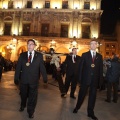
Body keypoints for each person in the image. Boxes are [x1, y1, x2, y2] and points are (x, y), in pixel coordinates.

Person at [14, 39, 48, 118]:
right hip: (23, 80)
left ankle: (30, 111)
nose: (29, 45)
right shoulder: (22, 55)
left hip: (34, 80)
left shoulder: (39, 55)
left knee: (33, 98)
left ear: (34, 46)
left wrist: (45, 77)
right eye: (28, 44)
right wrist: (16, 78)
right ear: (27, 45)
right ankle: (23, 105)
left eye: (31, 44)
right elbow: (18, 67)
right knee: (23, 95)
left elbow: (42, 67)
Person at [73, 40, 103, 120]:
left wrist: (100, 81)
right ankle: (77, 107)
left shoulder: (99, 56)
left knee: (92, 97)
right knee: (81, 95)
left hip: (94, 80)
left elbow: (100, 70)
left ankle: (90, 112)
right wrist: (79, 79)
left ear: (97, 45)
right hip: (85, 79)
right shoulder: (85, 55)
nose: (93, 45)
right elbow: (81, 68)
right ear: (89, 45)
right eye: (91, 44)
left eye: (94, 44)